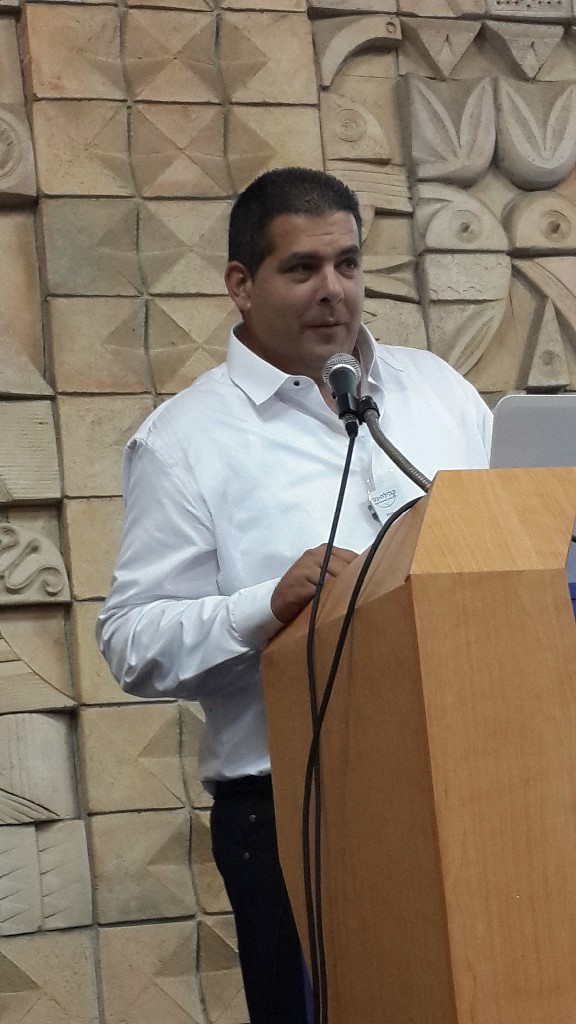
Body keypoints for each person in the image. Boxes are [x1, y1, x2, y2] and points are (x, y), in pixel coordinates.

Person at [97, 167, 492, 1023]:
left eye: (347, 263)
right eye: (302, 268)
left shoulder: (437, 392)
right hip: (295, 812)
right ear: (241, 285)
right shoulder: (186, 441)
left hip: (477, 778)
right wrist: (262, 606)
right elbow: (131, 642)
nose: (333, 290)